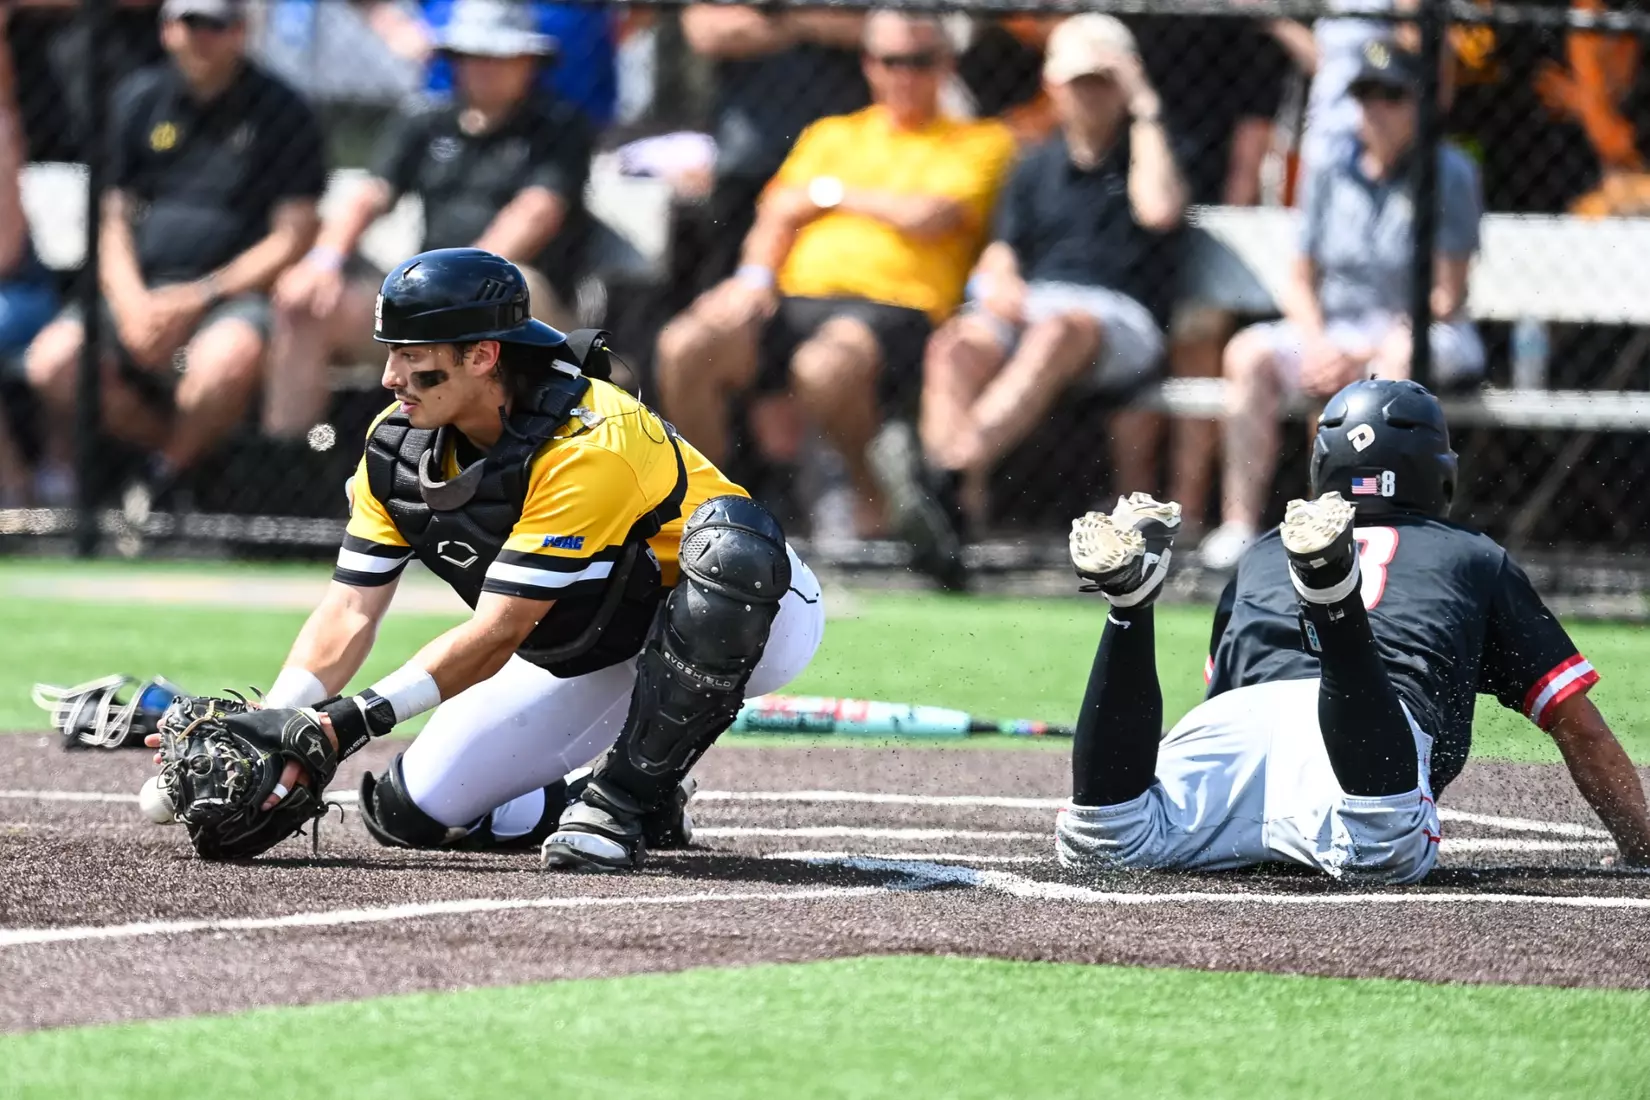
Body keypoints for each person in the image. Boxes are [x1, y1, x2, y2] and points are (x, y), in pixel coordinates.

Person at [147, 248, 824, 871]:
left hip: (748, 621)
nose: (390, 378)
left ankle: (621, 801)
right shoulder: (396, 447)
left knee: (730, 550)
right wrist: (277, 719)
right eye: (391, 353)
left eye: (413, 356)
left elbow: (501, 630)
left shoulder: (590, 440)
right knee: (410, 812)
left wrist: (345, 723)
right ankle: (643, 802)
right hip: (590, 643)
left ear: (482, 355)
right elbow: (351, 605)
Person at [1054, 378, 1650, 883]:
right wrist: (1640, 846)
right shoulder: (1474, 556)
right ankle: (1333, 599)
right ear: (1438, 472)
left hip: (1234, 720)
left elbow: (1222, 695)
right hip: (1361, 740)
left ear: (1322, 467)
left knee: (1105, 843)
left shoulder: (1261, 554)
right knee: (1378, 848)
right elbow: (1578, 726)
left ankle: (1129, 608)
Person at [655, 10, 1015, 575]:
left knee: (826, 366)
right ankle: (713, 519)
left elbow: (930, 214)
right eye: (890, 60)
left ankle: (882, 504)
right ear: (869, 65)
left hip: (899, 305)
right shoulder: (832, 133)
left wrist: (826, 195)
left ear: (946, 65)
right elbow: (776, 212)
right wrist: (751, 280)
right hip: (791, 298)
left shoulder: (981, 140)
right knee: (686, 345)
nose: (904, 75)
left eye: (919, 61)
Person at [23, 0, 324, 516]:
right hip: (139, 290)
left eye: (219, 23)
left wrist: (200, 295)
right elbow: (111, 215)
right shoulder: (136, 100)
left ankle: (157, 482)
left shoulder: (283, 110)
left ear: (241, 32)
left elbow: (293, 236)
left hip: (233, 297)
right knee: (53, 362)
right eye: (192, 22)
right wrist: (132, 301)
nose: (204, 35)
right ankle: (187, 461)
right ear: (166, 30)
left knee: (223, 362)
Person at [1201, 41, 1485, 570]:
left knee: (1395, 364)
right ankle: (1238, 525)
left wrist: (1358, 358)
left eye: (1392, 96)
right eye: (1366, 95)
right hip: (1335, 330)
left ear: (1420, 104)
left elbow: (1445, 295)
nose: (1376, 109)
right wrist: (1317, 343)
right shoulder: (1328, 167)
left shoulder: (1450, 172)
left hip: (1422, 331)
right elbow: (1300, 278)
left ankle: (1381, 530)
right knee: (1248, 353)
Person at [916, 14, 1184, 553]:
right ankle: (950, 521)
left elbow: (1158, 210)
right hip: (1037, 305)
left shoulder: (1151, 149)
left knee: (1059, 329)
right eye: (1076, 82)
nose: (1088, 94)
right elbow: (1002, 251)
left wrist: (1146, 107)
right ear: (1053, 87)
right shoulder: (1033, 164)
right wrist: (1001, 280)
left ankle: (947, 469)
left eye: (1101, 80)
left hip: (1119, 319)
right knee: (955, 345)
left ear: (1125, 83)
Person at [269, 0, 593, 438]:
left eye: (499, 55)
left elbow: (536, 213)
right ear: (454, 60)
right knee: (307, 304)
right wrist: (323, 261)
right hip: (429, 307)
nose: (484, 67)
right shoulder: (424, 120)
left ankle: (505, 465)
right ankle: (288, 465)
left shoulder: (559, 128)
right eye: (472, 55)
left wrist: (461, 288)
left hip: (518, 306)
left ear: (528, 61)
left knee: (516, 288)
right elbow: (369, 196)